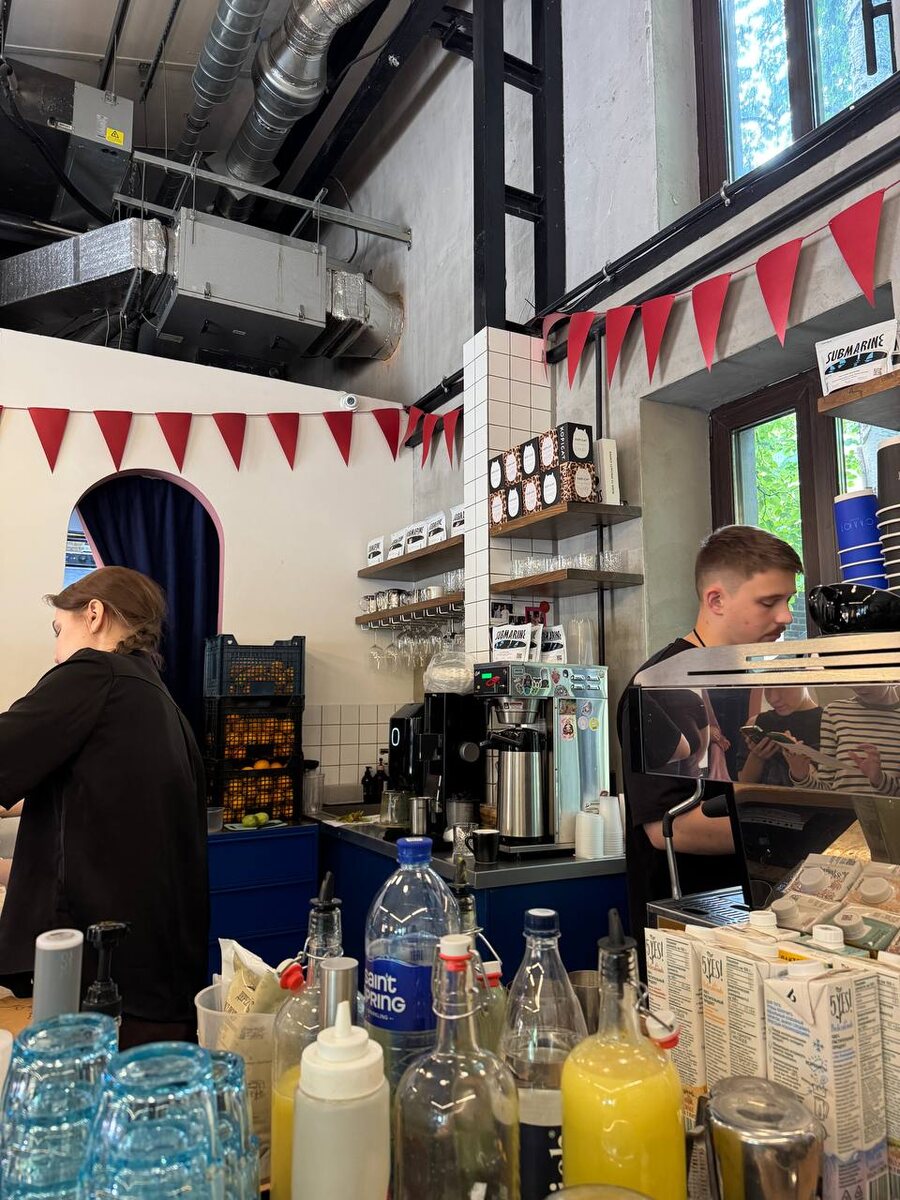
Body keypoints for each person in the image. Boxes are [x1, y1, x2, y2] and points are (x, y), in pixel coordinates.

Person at [0, 567, 208, 1048]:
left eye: (58, 630)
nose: (56, 652)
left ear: (94, 614)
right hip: (162, 980)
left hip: (103, 977)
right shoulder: (159, 700)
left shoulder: (97, 671)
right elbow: (94, 807)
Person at [617, 525, 801, 960]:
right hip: (685, 932)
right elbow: (669, 829)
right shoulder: (658, 687)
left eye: (789, 601)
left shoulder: (751, 683)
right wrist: (793, 837)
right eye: (769, 602)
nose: (786, 617)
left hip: (761, 920)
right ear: (716, 600)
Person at [737, 686, 823, 788]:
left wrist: (798, 764)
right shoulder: (756, 722)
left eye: (782, 687)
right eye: (767, 688)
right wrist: (757, 757)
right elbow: (742, 783)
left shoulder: (828, 722)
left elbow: (832, 787)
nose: (773, 699)